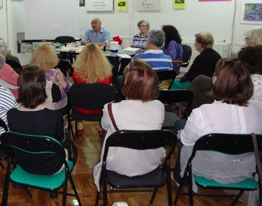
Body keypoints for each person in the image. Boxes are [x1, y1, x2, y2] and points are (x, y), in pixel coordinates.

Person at [173, 59, 262, 191]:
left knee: (181, 126)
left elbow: (186, 142)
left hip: (209, 167)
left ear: (215, 80)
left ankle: (181, 179)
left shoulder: (201, 113)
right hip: (244, 167)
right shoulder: (257, 108)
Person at [93, 60, 165, 191]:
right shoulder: (159, 106)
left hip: (118, 165)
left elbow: (104, 126)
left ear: (127, 84)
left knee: (110, 131)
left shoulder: (111, 108)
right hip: (150, 163)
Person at [7, 66, 74, 175]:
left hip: (24, 164)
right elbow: (60, 142)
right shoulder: (54, 117)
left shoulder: (11, 114)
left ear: (22, 88)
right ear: (44, 86)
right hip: (52, 166)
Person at [30, 43, 71, 110]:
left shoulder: (32, 74)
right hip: (56, 106)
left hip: (38, 105)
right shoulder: (57, 73)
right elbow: (67, 88)